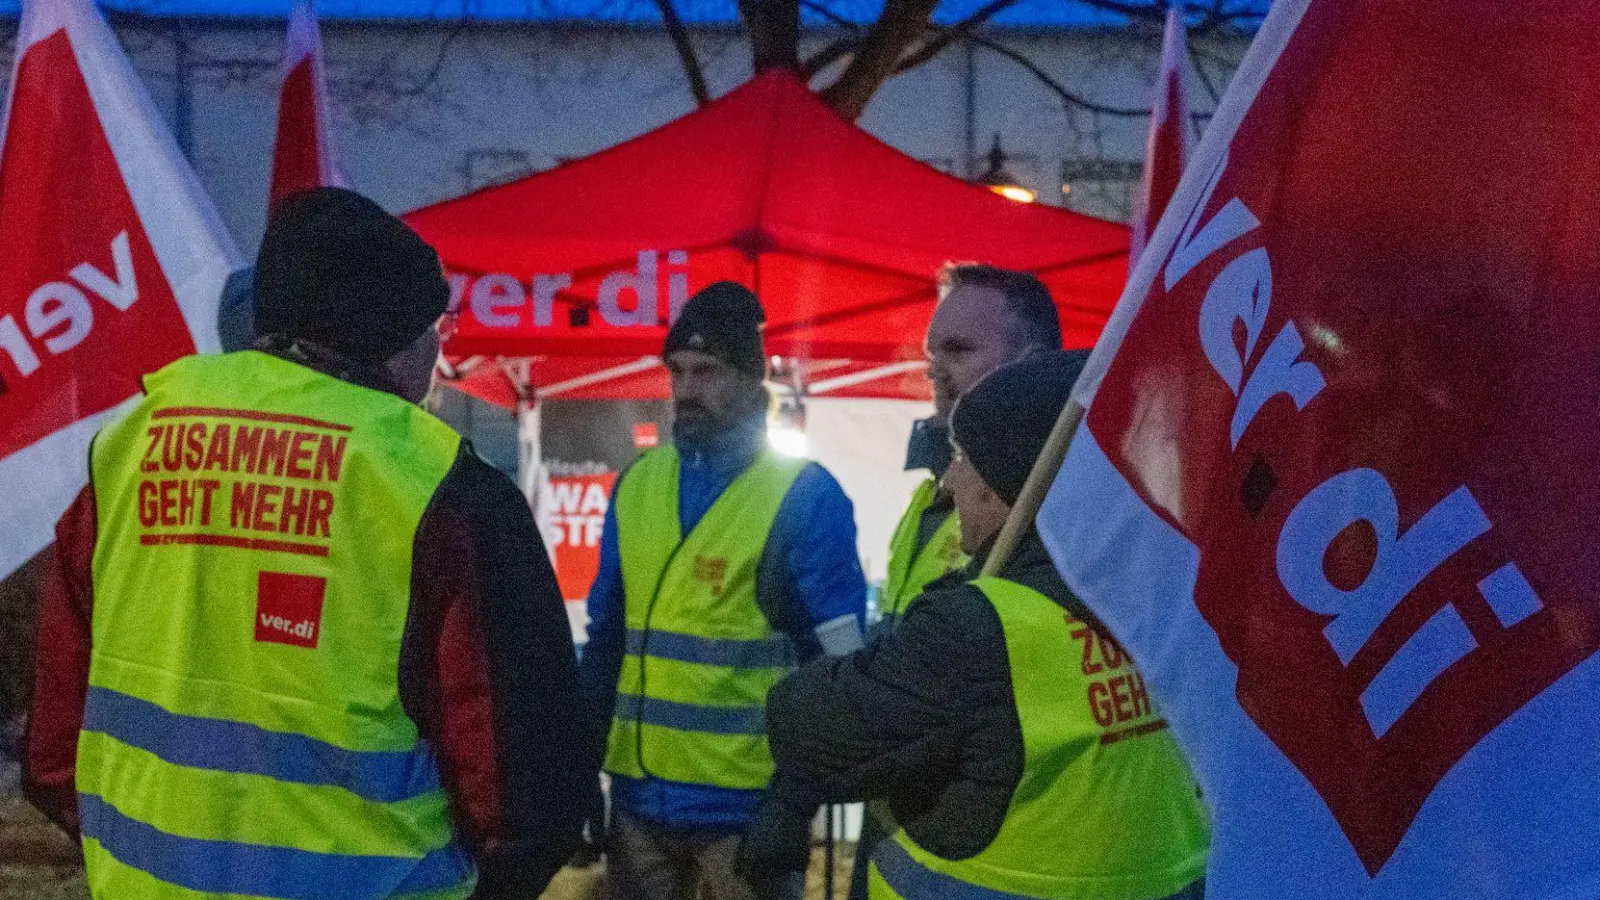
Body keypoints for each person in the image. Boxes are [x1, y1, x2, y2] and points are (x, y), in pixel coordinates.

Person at [23, 188, 585, 900]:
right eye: (434, 330)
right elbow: (528, 792)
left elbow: (52, 747)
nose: (440, 359)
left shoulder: (134, 439)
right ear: (398, 341)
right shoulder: (436, 486)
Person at [753, 351, 1211, 900]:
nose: (949, 480)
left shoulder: (979, 626)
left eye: (962, 457)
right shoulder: (1171, 596)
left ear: (1001, 484)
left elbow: (806, 730)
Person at [579, 281, 867, 900]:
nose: (686, 389)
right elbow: (605, 644)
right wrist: (578, 773)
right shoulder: (638, 485)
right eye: (676, 370)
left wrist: (793, 804)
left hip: (747, 820)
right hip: (637, 810)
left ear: (749, 378)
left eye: (706, 371)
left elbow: (841, 673)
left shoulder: (805, 497)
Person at [848, 262, 1067, 898]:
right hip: (906, 836)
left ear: (1031, 358)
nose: (935, 370)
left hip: (998, 854)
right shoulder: (932, 496)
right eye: (930, 354)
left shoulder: (1058, 502)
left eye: (960, 349)